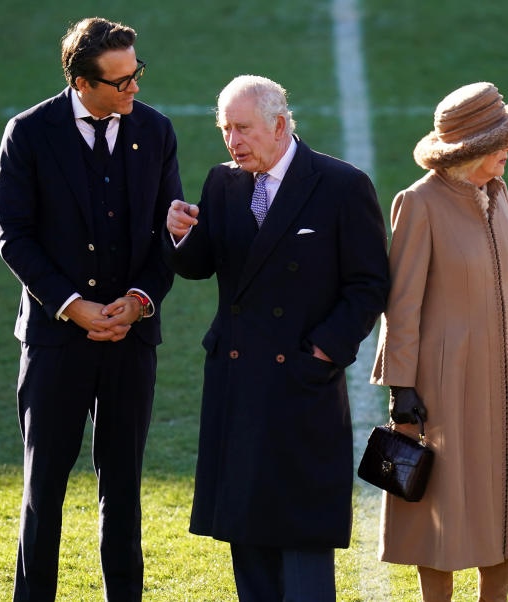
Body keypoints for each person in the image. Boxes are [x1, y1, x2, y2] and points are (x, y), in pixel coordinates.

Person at [163, 75, 389, 601]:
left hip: (301, 384)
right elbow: (205, 264)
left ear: (280, 125)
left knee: (302, 529)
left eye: (242, 129)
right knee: (248, 530)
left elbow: (369, 283)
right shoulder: (223, 183)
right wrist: (180, 236)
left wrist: (325, 350)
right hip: (238, 382)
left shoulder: (341, 185)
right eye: (225, 130)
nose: (232, 141)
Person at [0, 17, 182, 601]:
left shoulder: (154, 131)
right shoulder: (28, 134)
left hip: (131, 339)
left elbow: (167, 231)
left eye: (136, 75)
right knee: (43, 487)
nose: (134, 90)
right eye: (121, 82)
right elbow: (14, 237)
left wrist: (139, 301)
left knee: (122, 488)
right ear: (81, 82)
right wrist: (72, 306)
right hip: (55, 342)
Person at [370, 82, 508, 601]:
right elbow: (400, 304)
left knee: (506, 503)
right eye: (501, 141)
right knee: (441, 511)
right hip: (445, 385)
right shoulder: (419, 203)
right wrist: (400, 384)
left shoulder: (498, 192)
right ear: (470, 146)